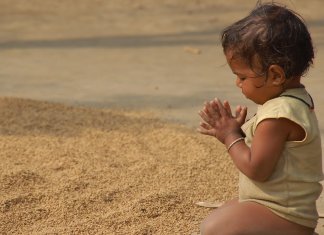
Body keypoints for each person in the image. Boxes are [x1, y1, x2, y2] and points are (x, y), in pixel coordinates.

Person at [198, 2, 323, 235]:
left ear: (275, 75)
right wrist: (240, 134)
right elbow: (276, 155)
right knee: (229, 210)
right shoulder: (294, 101)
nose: (238, 83)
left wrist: (230, 136)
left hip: (285, 214)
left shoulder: (278, 115)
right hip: (282, 208)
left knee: (213, 228)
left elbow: (257, 169)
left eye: (242, 77)